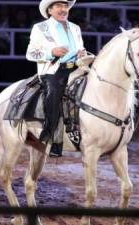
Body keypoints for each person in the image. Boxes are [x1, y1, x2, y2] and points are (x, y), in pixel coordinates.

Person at [26, 0, 85, 157]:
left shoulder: (75, 28)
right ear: (49, 10)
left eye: (65, 6)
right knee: (54, 93)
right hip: (53, 71)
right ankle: (51, 138)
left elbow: (81, 49)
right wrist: (51, 52)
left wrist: (82, 54)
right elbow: (30, 53)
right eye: (58, 6)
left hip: (76, 68)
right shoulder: (40, 28)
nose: (63, 9)